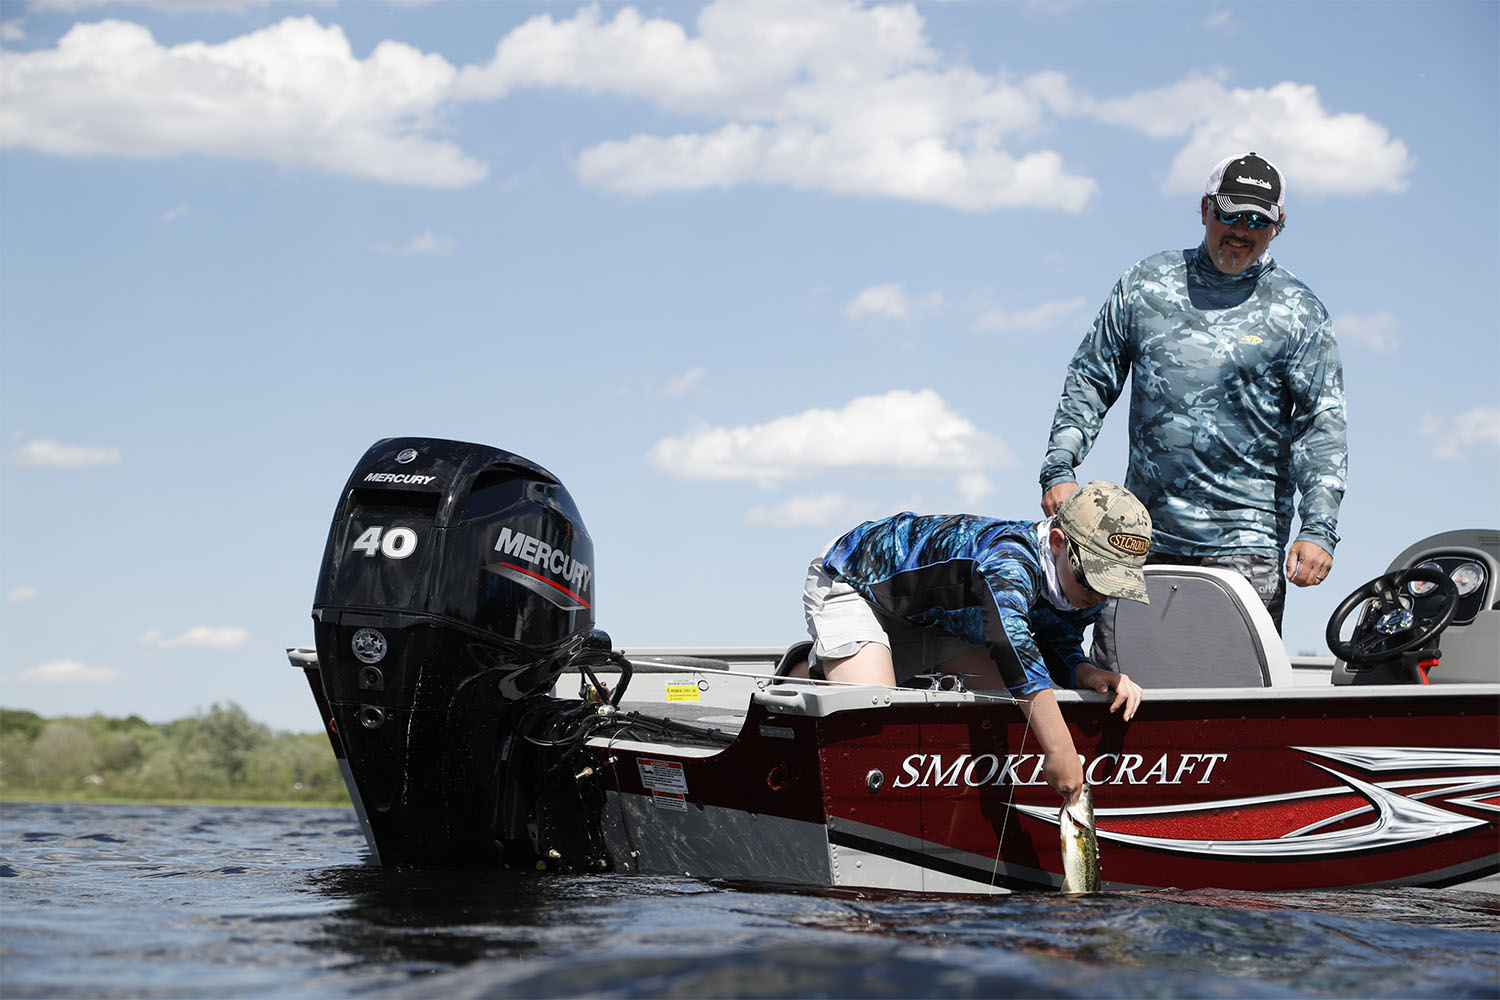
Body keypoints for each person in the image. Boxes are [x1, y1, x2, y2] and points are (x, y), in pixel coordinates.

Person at [1039, 152, 1346, 638]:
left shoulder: (1300, 310)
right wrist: (1059, 467)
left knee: (1236, 702)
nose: (1241, 230)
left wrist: (1318, 527)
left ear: (1278, 224)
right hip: (1137, 537)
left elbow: (1321, 426)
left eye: (1257, 220)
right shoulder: (1146, 283)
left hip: (1248, 542)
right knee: (1123, 686)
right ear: (1205, 209)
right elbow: (1091, 378)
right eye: (1229, 214)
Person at [796, 481, 1149, 807]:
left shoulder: (1085, 591)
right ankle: (807, 669)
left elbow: (1058, 642)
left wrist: (1086, 672)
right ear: (1057, 543)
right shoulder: (1010, 559)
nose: (1100, 594)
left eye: (1113, 584)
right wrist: (1060, 750)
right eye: (1093, 579)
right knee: (879, 725)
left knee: (1007, 710)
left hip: (940, 617)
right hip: (856, 581)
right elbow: (1010, 643)